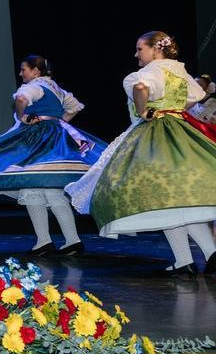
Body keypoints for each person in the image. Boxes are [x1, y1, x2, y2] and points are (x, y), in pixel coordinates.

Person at [66, 31, 216, 277]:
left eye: (140, 49)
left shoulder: (149, 72)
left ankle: (185, 261)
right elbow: (197, 96)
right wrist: (174, 108)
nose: (136, 54)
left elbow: (140, 87)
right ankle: (207, 254)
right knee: (178, 199)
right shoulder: (179, 71)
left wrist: (144, 110)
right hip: (183, 133)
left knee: (162, 198)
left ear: (156, 50)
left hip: (156, 137)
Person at [0, 55, 106, 256]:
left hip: (38, 140)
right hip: (57, 139)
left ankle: (51, 241)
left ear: (36, 71)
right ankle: (65, 241)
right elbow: (74, 106)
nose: (21, 73)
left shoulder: (35, 86)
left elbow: (21, 98)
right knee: (46, 191)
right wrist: (59, 121)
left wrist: (23, 117)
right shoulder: (56, 88)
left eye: (24, 69)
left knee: (38, 189)